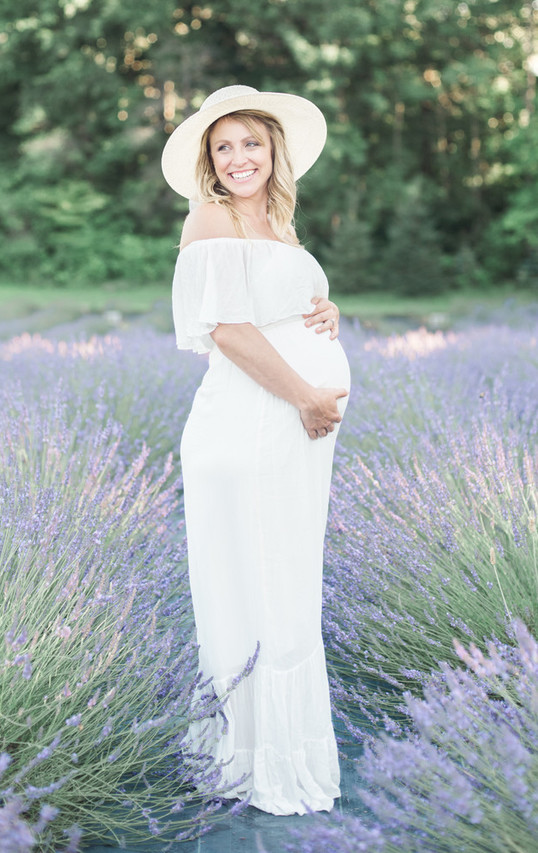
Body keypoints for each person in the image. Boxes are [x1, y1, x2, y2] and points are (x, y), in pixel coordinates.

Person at [161, 85, 350, 816]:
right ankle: (254, 761)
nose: (238, 158)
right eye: (223, 147)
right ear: (209, 161)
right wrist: (307, 396)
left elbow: (277, 311)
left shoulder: (280, 224)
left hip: (291, 431)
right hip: (251, 425)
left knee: (287, 584)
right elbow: (228, 330)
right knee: (264, 585)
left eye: (251, 143)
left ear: (275, 151)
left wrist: (325, 312)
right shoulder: (212, 217)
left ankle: (278, 749)